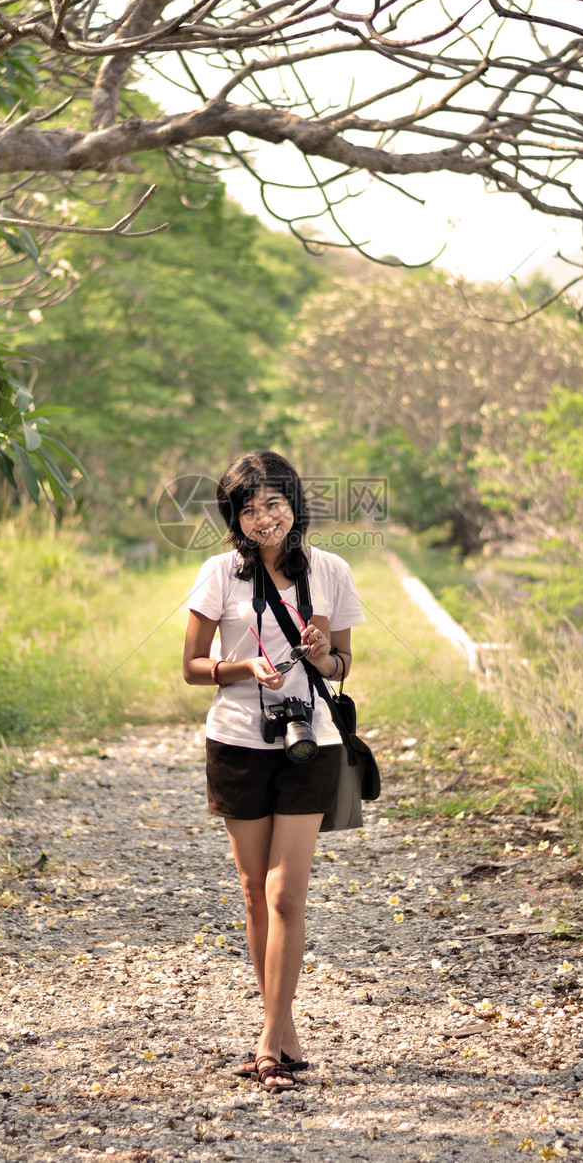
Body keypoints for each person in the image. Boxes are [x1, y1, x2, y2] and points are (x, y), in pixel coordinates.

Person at [183, 451, 365, 1092]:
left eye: (273, 503)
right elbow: (192, 667)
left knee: (288, 892)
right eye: (249, 508)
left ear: (294, 504)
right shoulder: (218, 575)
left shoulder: (331, 571)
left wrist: (323, 656)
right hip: (236, 740)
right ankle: (281, 1029)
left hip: (308, 742)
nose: (264, 518)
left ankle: (267, 1041)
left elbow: (345, 664)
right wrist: (242, 669)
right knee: (255, 891)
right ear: (234, 517)